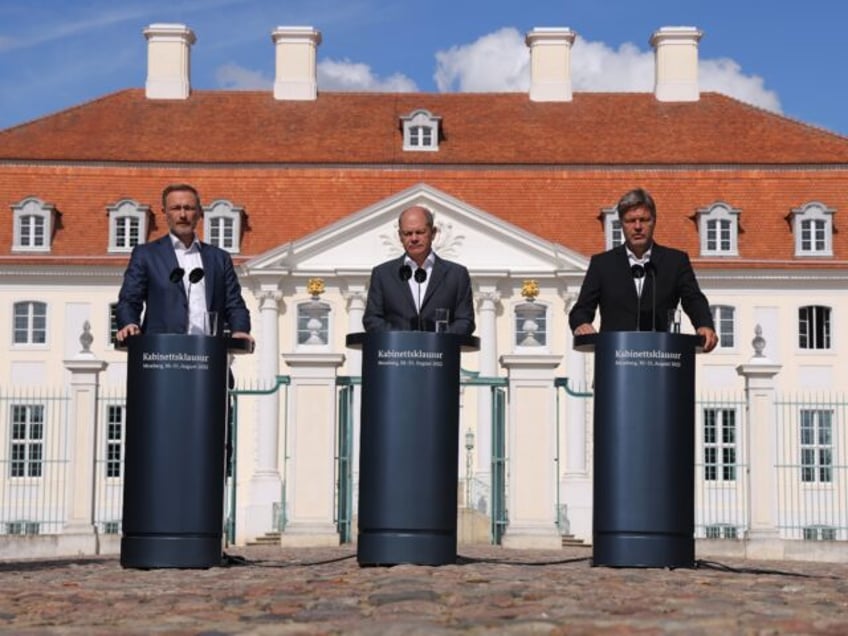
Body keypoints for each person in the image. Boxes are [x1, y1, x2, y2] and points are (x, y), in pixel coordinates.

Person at [568, 187, 718, 352]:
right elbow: (581, 309)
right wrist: (581, 324)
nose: (637, 227)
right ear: (621, 224)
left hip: (661, 357)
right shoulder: (602, 264)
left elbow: (693, 299)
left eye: (644, 220)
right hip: (615, 360)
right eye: (631, 221)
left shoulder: (675, 262)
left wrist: (704, 324)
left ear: (654, 221)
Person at [115, 183, 254, 348]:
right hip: (160, 354)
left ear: (199, 213)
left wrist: (240, 329)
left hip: (209, 354)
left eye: (188, 208)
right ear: (165, 213)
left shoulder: (219, 258)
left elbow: (235, 304)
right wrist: (129, 323)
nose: (182, 215)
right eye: (175, 208)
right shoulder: (147, 255)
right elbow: (129, 300)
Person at [363, 205, 475, 335]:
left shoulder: (456, 275)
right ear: (400, 236)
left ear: (433, 233)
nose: (414, 238)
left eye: (420, 232)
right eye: (408, 234)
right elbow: (372, 320)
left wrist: (437, 340)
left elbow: (465, 321)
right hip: (396, 352)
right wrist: (404, 340)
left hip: (441, 352)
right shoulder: (382, 274)